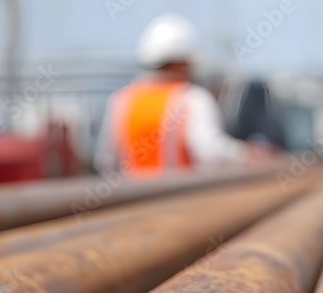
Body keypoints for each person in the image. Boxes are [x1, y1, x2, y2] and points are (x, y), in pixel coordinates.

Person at [94, 14, 252, 176]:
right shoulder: (192, 99)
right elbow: (210, 152)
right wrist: (246, 154)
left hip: (137, 191)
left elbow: (105, 159)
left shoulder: (122, 100)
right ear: (185, 61)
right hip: (184, 192)